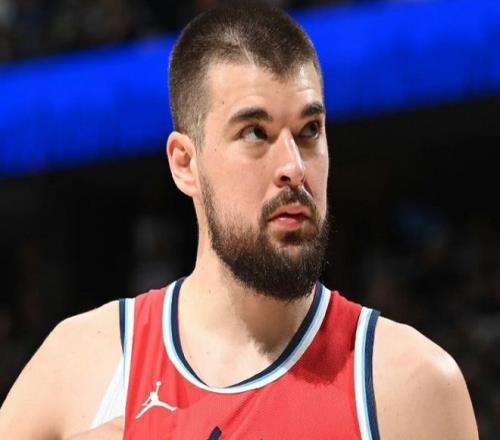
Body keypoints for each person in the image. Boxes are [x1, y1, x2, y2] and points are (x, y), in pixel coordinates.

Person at [0, 3, 478, 439]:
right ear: (185, 163)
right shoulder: (84, 362)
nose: (294, 166)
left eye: (309, 130)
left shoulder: (411, 387)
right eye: (255, 132)